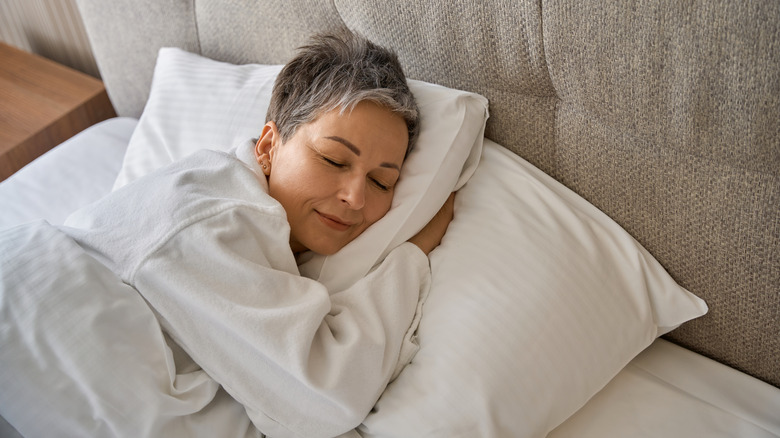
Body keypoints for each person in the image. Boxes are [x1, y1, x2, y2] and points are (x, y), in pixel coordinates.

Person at [60, 30, 454, 437]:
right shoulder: (210, 222)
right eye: (333, 159)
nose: (355, 196)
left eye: (381, 182)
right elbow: (326, 395)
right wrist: (413, 251)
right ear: (268, 146)